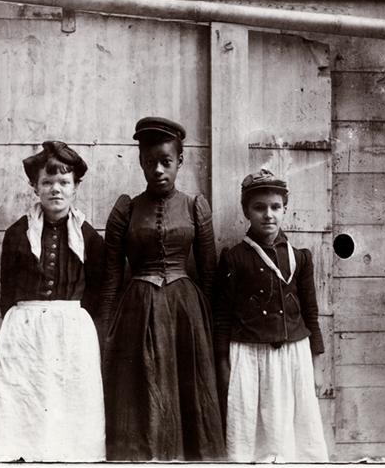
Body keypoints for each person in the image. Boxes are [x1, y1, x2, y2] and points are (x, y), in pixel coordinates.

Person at [0, 141, 105, 462]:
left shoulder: (89, 237)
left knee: (67, 408)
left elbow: (97, 290)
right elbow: (7, 291)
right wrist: (22, 323)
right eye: (47, 182)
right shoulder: (18, 233)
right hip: (24, 332)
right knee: (19, 403)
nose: (55, 189)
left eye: (64, 182)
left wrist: (73, 322)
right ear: (35, 187)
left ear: (76, 187)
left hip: (71, 332)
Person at [98, 117, 225, 461]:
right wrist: (103, 334)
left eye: (166, 161)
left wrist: (212, 335)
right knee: (140, 394)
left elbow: (209, 276)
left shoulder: (194, 206)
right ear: (141, 162)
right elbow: (111, 279)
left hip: (185, 314)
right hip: (137, 312)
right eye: (150, 162)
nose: (157, 170)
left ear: (180, 161)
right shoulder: (126, 209)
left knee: (189, 393)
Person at [213, 168, 328, 462]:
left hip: (293, 356)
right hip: (248, 356)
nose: (268, 215)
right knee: (249, 431)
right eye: (259, 207)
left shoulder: (300, 258)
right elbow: (222, 317)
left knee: (294, 431)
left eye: (275, 207)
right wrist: (223, 365)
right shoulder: (234, 258)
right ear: (246, 211)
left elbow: (311, 313)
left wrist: (317, 364)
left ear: (285, 209)